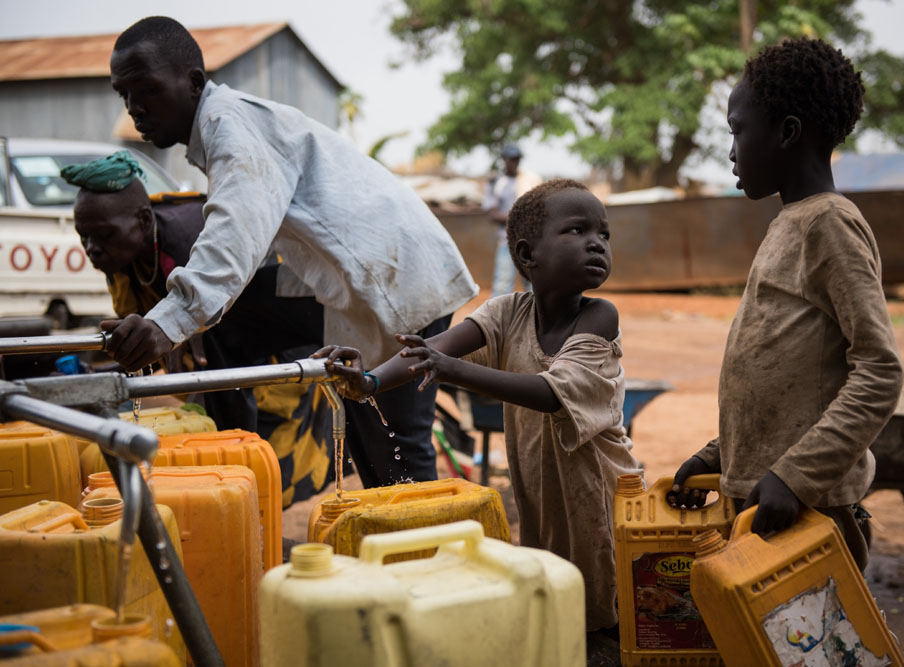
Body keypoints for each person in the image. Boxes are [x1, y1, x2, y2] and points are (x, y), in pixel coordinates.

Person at [103, 16, 478, 488]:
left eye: (147, 90)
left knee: (397, 446)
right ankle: (237, 448)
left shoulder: (230, 127)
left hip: (396, 283)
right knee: (368, 433)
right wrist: (183, 323)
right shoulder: (230, 126)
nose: (135, 108)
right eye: (124, 94)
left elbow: (234, 236)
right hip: (369, 281)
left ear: (193, 81)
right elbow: (253, 242)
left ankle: (430, 548)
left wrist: (166, 323)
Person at [318, 178, 642, 634]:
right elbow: (430, 349)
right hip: (541, 492)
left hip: (599, 491)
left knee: (603, 609)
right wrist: (368, 382)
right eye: (577, 231)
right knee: (554, 599)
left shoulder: (598, 316)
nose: (596, 244)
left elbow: (551, 393)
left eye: (603, 234)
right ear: (528, 255)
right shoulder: (506, 313)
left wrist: (450, 368)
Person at [667, 38, 904, 571]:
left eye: (737, 131)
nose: (730, 151)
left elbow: (879, 371)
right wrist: (719, 453)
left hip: (810, 511)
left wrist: (795, 477)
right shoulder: (789, 224)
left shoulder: (829, 224)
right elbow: (787, 376)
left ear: (787, 132)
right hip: (766, 499)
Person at [63, 151, 342, 506]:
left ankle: (252, 518)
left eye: (103, 235)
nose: (92, 248)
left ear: (144, 219)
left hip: (271, 340)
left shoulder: (191, 247)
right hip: (226, 351)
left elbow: (204, 348)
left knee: (255, 456)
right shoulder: (121, 256)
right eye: (83, 236)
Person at [482, 144, 541, 295]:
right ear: (504, 160)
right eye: (512, 159)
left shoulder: (530, 179)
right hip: (507, 241)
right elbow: (493, 214)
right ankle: (499, 318)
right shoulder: (495, 182)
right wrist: (520, 218)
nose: (515, 163)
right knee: (502, 284)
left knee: (534, 283)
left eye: (517, 159)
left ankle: (536, 317)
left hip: (530, 241)